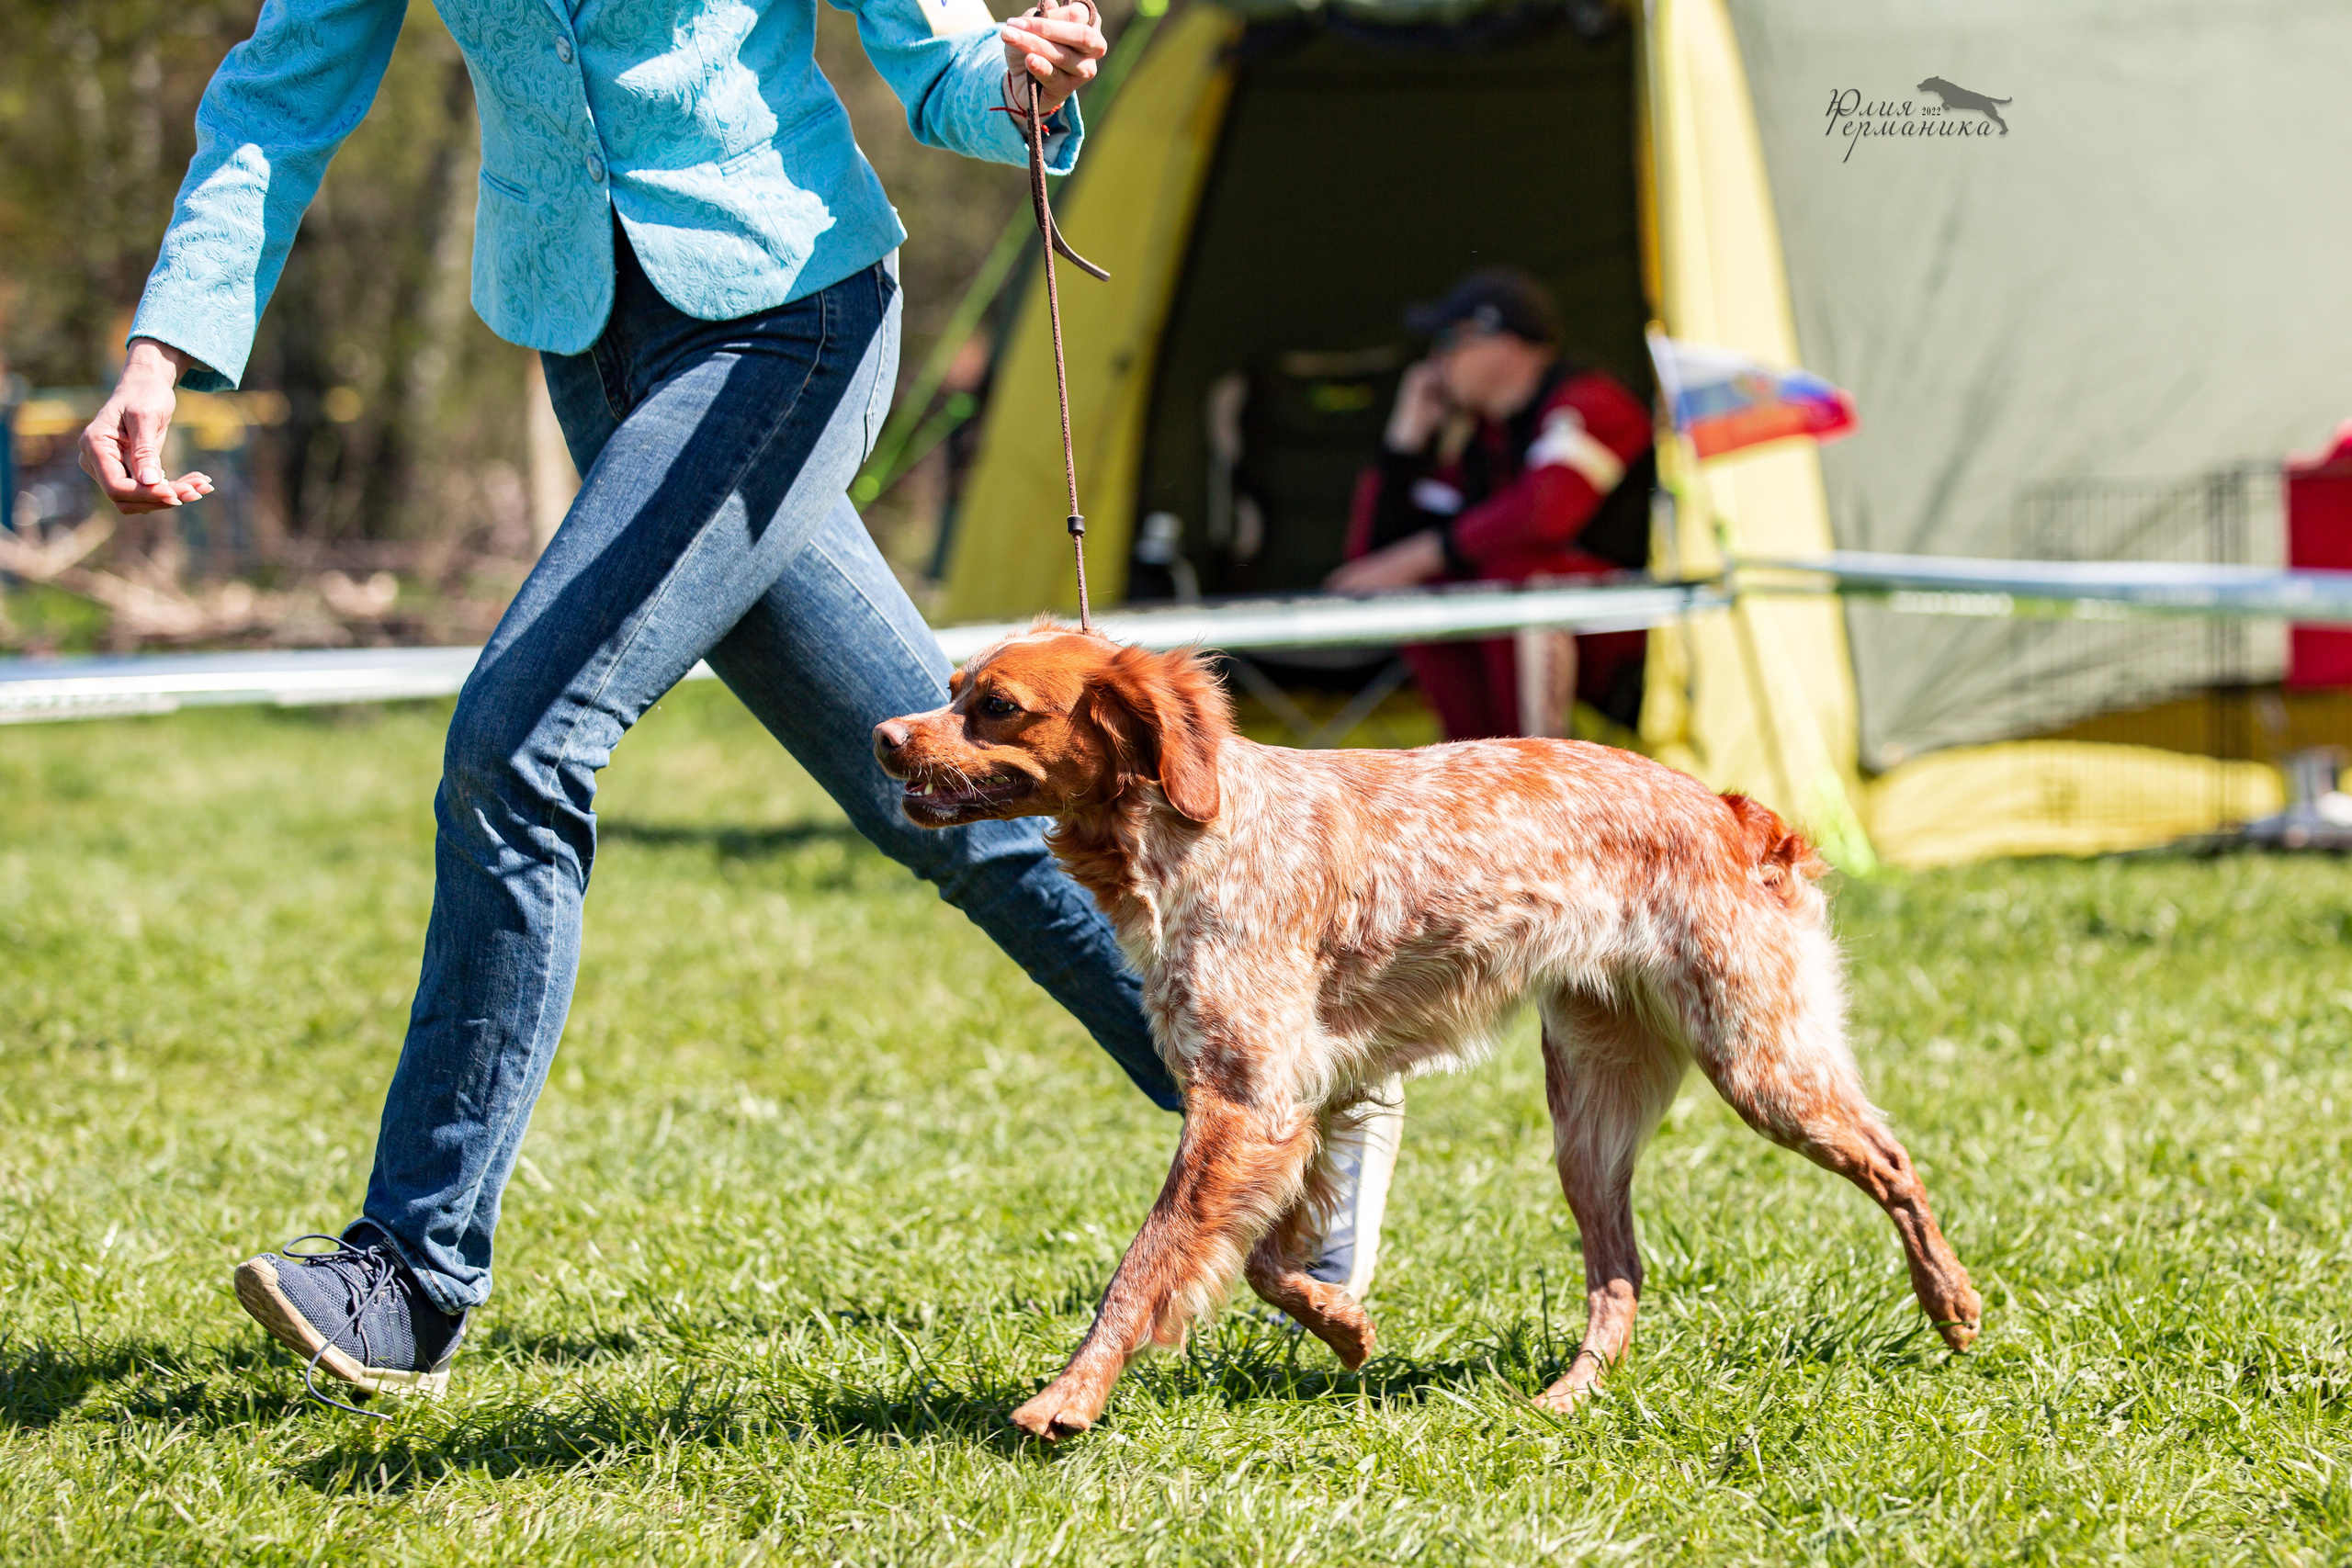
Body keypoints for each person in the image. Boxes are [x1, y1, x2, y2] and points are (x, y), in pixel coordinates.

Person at [80, 0, 1398, 1409]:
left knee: (518, 741)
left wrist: (1009, 80)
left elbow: (941, 59)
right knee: (949, 794)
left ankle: (411, 1267)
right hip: (592, 340)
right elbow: (282, 89)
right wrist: (168, 344)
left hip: (790, 310)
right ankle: (1295, 1084)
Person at [1328, 268, 1656, 740]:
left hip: (1645, 635)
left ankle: (1537, 778)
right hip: (1563, 633)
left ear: (1502, 346)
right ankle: (1474, 764)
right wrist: (1403, 443)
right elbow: (1372, 564)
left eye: (1447, 341)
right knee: (1432, 581)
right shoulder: (1485, 438)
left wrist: (1418, 555)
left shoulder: (1593, 401)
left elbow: (1544, 513)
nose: (1433, 363)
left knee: (1516, 573)